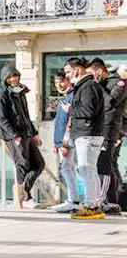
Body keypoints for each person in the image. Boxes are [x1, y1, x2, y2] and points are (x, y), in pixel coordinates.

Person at [0, 67, 44, 204]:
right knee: (22, 164)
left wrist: (34, 133)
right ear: (5, 79)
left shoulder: (20, 92)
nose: (13, 79)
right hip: (14, 135)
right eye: (9, 77)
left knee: (39, 164)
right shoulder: (1, 94)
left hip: (27, 133)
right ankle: (21, 199)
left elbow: (26, 115)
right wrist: (14, 135)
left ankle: (24, 193)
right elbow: (1, 119)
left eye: (15, 76)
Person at [64, 57, 106, 220]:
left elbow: (87, 111)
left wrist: (70, 109)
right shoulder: (87, 86)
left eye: (68, 72)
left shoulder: (88, 87)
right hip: (89, 134)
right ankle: (94, 203)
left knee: (86, 169)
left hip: (87, 134)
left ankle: (91, 206)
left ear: (77, 70)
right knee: (90, 169)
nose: (67, 76)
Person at [92, 61, 127, 214]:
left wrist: (99, 87)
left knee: (108, 164)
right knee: (106, 163)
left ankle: (112, 200)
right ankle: (111, 200)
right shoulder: (107, 84)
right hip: (105, 129)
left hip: (114, 130)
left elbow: (109, 103)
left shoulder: (120, 84)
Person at [51, 72, 79, 213]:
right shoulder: (65, 98)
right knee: (66, 168)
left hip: (68, 141)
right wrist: (56, 144)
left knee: (67, 168)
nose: (59, 85)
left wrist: (65, 144)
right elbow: (59, 123)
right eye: (56, 83)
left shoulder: (72, 97)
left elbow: (70, 122)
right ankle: (73, 199)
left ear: (69, 81)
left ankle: (73, 200)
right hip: (62, 142)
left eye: (62, 81)